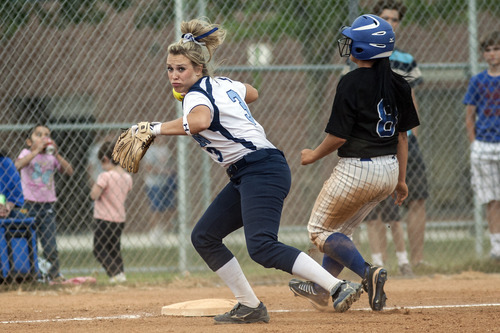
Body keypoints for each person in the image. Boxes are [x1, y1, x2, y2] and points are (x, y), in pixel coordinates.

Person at [127, 18, 363, 324]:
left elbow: (198, 122)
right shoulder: (221, 84)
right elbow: (251, 92)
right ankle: (249, 305)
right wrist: (228, 97)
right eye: (170, 69)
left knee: (262, 246)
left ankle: (337, 286)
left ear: (198, 69)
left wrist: (153, 129)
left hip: (260, 170)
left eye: (181, 69)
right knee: (204, 236)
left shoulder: (197, 95)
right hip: (250, 172)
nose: (174, 75)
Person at [287, 14, 420, 312]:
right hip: (388, 170)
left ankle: (367, 274)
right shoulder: (399, 83)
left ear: (364, 49)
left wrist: (312, 155)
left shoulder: (350, 82)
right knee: (340, 231)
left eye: (353, 41)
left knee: (319, 231)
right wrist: (400, 180)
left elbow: (337, 137)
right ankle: (323, 290)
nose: (348, 44)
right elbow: (403, 138)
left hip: (358, 170)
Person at [363, 0, 430, 273]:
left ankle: (415, 262)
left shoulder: (406, 60)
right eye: (385, 18)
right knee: (373, 202)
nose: (391, 23)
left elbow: (412, 99)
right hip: (376, 142)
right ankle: (381, 263)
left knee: (416, 197)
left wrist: (413, 133)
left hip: (405, 140)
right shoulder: (360, 55)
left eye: (395, 19)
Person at [15, 124, 74, 282]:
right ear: (29, 141)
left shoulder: (51, 157)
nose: (43, 138)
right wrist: (35, 151)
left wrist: (57, 154)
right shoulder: (27, 153)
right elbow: (18, 165)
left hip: (47, 205)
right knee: (28, 242)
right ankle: (31, 275)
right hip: (28, 205)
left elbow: (69, 171)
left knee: (50, 245)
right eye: (39, 134)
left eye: (47, 135)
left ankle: (54, 275)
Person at [463, 31, 500, 261]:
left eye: (496, 49)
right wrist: (474, 143)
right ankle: (496, 247)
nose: (492, 54)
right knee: (492, 198)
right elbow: (469, 115)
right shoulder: (478, 81)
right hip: (485, 144)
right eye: (487, 50)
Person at [90, 141, 133, 283]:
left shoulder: (105, 176)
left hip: (103, 219)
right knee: (114, 248)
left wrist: (95, 188)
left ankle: (114, 273)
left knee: (99, 248)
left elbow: (94, 195)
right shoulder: (127, 177)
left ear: (106, 159)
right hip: (119, 219)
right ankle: (120, 273)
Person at [141, 143, 177, 240]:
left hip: (166, 183)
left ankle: (165, 229)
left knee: (169, 207)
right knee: (155, 208)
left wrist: (170, 171)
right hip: (154, 183)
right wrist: (163, 171)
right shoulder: (149, 150)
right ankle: (155, 230)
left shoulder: (165, 148)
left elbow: (171, 164)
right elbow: (148, 168)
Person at [0, 149, 25, 218]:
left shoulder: (5, 163)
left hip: (3, 216)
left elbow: (15, 196)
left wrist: (7, 206)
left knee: (20, 217)